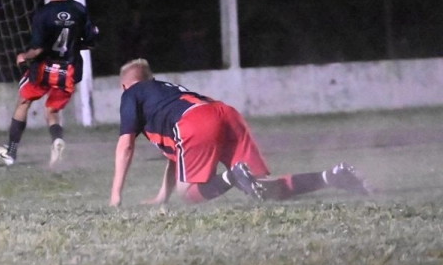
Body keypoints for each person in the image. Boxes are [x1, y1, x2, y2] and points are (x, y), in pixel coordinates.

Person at [110, 58, 371, 206]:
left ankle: (234, 176)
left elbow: (126, 147)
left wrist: (115, 196)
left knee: (188, 194)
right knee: (265, 190)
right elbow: (178, 155)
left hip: (195, 123)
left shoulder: (132, 93)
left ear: (126, 85)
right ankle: (333, 177)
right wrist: (160, 197)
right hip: (223, 113)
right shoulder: (164, 92)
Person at [0, 0, 97, 167]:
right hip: (68, 71)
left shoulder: (43, 13)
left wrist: (24, 56)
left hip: (43, 70)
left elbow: (38, 49)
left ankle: (11, 152)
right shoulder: (79, 10)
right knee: (51, 111)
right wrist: (76, 44)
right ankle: (57, 140)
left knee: (24, 102)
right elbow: (91, 41)